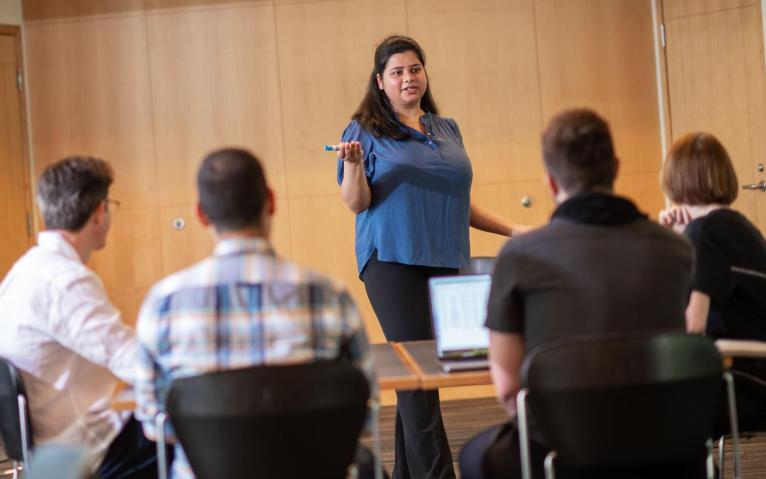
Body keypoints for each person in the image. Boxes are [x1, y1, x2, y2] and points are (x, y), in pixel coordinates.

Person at [459, 109, 695, 479]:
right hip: (665, 443)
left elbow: (508, 390)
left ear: (551, 184)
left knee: (475, 457)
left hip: (562, 448)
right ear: (615, 168)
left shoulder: (521, 255)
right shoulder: (675, 249)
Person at [336, 34, 525, 479]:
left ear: (425, 74)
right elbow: (356, 203)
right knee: (421, 378)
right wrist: (354, 165)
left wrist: (513, 228)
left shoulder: (446, 128)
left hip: (445, 256)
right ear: (380, 81)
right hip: (392, 258)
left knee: (424, 375)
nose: (408, 78)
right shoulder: (362, 130)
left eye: (414, 69)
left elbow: (462, 202)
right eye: (397, 72)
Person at [135, 148, 378, 479]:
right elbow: (364, 412)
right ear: (271, 202)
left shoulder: (163, 304)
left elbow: (155, 423)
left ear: (202, 215)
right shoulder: (330, 297)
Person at [0, 156, 163, 478]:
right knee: (200, 436)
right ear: (99, 212)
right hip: (84, 448)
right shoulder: (65, 281)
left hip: (42, 446)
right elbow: (135, 362)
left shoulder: (24, 272)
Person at [659, 132, 766, 434]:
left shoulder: (704, 233)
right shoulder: (740, 227)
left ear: (675, 179)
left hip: (744, 390)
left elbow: (691, 331)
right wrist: (679, 239)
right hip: (754, 380)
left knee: (634, 405)